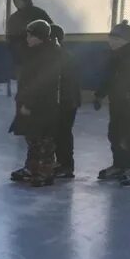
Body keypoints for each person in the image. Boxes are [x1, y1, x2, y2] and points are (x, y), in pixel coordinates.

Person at [93, 21, 130, 184]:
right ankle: (120, 164)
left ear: (125, 40)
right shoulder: (115, 57)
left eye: (115, 39)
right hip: (117, 103)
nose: (110, 42)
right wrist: (99, 95)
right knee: (115, 134)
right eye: (110, 39)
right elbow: (109, 79)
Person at [9, 20, 61, 187]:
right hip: (30, 102)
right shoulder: (33, 52)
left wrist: (29, 104)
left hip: (42, 105)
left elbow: (41, 83)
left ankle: (45, 172)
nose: (27, 38)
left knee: (44, 140)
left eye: (30, 35)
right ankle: (32, 168)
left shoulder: (48, 55)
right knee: (32, 138)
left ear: (39, 37)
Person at [50, 25, 80, 179]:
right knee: (58, 133)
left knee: (63, 133)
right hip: (65, 100)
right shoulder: (60, 55)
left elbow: (63, 82)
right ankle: (60, 162)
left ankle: (66, 165)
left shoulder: (61, 56)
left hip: (65, 102)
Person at [5, 0, 52, 71]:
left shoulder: (39, 13)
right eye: (15, 1)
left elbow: (51, 29)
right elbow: (10, 37)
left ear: (25, 0)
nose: (16, 3)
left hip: (40, 57)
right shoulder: (13, 18)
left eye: (19, 0)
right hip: (22, 58)